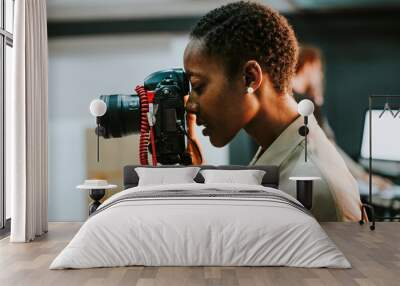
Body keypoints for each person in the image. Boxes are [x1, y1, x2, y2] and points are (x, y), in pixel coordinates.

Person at [184, 1, 362, 222]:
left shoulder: (309, 190)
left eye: (199, 86)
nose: (190, 104)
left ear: (249, 78)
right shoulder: (277, 153)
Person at [292, 46, 393, 192]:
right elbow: (329, 149)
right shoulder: (307, 105)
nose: (321, 76)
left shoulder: (287, 99)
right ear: (309, 65)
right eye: (319, 70)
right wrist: (365, 177)